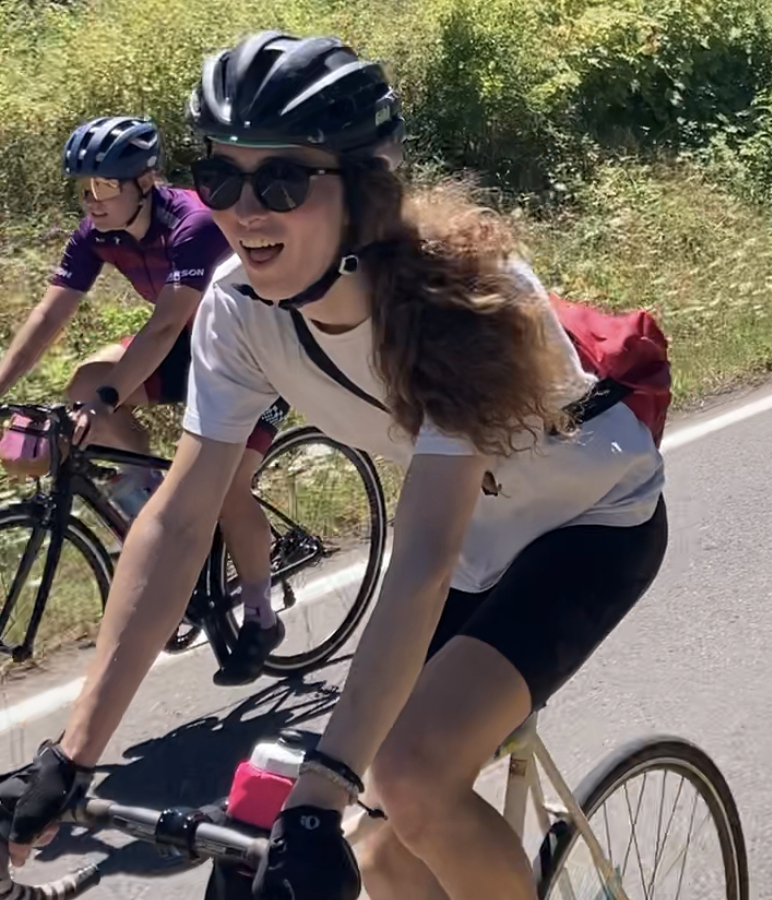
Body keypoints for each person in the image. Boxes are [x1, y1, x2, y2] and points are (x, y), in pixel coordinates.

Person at [0, 34, 667, 900]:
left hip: (588, 522)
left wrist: (322, 791)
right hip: (474, 544)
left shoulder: (468, 297)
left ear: (365, 190)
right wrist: (71, 756)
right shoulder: (237, 311)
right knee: (385, 856)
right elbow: (177, 519)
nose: (246, 210)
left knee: (409, 774)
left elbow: (420, 560)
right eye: (222, 178)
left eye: (281, 179)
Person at [0, 115, 286, 684]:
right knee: (84, 379)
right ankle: (157, 521)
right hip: (189, 348)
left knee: (224, 486)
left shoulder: (195, 222)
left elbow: (164, 324)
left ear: (146, 181)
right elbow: (50, 315)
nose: (92, 199)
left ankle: (260, 612)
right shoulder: (96, 233)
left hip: (258, 355)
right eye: (83, 187)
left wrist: (108, 400)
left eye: (105, 186)